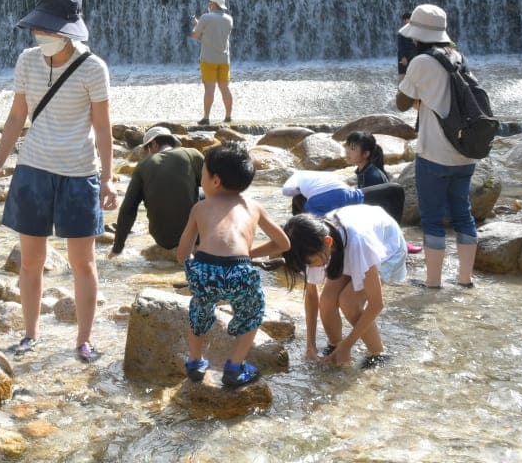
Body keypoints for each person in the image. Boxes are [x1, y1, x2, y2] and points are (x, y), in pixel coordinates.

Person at [0, 0, 116, 363]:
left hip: (78, 171)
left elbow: (103, 127)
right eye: (41, 29)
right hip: (33, 168)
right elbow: (16, 117)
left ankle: (83, 341)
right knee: (31, 260)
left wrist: (108, 176)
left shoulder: (93, 68)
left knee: (82, 262)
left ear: (70, 30)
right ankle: (30, 335)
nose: (44, 36)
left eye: (51, 30)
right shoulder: (27, 61)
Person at [175, 142, 290, 387]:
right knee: (253, 311)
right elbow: (283, 243)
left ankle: (195, 363)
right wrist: (249, 254)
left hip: (205, 268)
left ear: (215, 181)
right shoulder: (254, 206)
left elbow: (182, 253)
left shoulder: (200, 207)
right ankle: (235, 367)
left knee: (200, 308)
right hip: (240, 270)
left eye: (203, 174)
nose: (201, 179)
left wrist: (194, 268)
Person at [396, 4, 480, 289]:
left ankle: (433, 282)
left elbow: (402, 102)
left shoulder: (420, 62)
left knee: (432, 219)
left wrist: (408, 73)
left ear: (418, 35)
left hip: (434, 152)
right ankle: (465, 279)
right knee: (463, 214)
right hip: (465, 151)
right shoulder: (457, 56)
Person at [282, 205, 407, 367]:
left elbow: (376, 304)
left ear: (327, 243)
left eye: (311, 263)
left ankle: (378, 356)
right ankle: (335, 348)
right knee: (327, 301)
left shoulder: (359, 242)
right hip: (343, 248)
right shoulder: (313, 243)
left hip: (387, 249)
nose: (312, 268)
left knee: (349, 301)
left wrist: (348, 345)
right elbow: (312, 297)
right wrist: (310, 345)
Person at [109, 126, 204, 256]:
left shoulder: (142, 166)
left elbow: (128, 209)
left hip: (164, 239)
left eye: (146, 150)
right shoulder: (191, 153)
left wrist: (117, 247)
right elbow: (217, 185)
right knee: (205, 192)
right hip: (197, 236)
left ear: (153, 144)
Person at [189, 0, 234, 125]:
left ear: (213, 4)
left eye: (210, 3)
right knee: (225, 88)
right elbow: (217, 35)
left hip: (208, 59)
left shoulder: (205, 17)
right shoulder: (229, 19)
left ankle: (206, 117)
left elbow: (195, 35)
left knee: (209, 89)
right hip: (224, 59)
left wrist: (198, 25)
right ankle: (228, 116)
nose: (208, 5)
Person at [397, 11, 415, 82]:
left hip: (413, 55)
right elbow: (400, 46)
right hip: (404, 56)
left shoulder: (415, 30)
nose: (411, 20)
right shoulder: (401, 32)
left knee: (413, 74)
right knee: (402, 74)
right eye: (409, 19)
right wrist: (402, 57)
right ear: (404, 20)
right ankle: (400, 91)